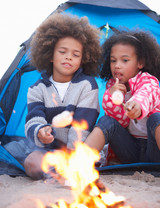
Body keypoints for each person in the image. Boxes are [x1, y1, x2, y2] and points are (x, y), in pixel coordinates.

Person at [22, 12, 102, 179]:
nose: (68, 57)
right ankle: (57, 172)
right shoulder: (36, 89)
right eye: (63, 51)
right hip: (49, 150)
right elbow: (33, 118)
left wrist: (73, 156)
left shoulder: (88, 85)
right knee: (31, 164)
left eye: (75, 54)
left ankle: (71, 170)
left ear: (83, 59)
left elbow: (83, 126)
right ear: (50, 55)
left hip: (77, 150)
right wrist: (40, 132)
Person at [85, 29, 160, 165]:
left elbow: (147, 94)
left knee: (156, 118)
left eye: (125, 60)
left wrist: (136, 105)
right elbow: (120, 122)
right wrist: (110, 96)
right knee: (106, 120)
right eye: (113, 61)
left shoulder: (148, 80)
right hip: (129, 151)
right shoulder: (113, 86)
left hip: (154, 151)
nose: (117, 66)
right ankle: (78, 164)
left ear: (140, 63)